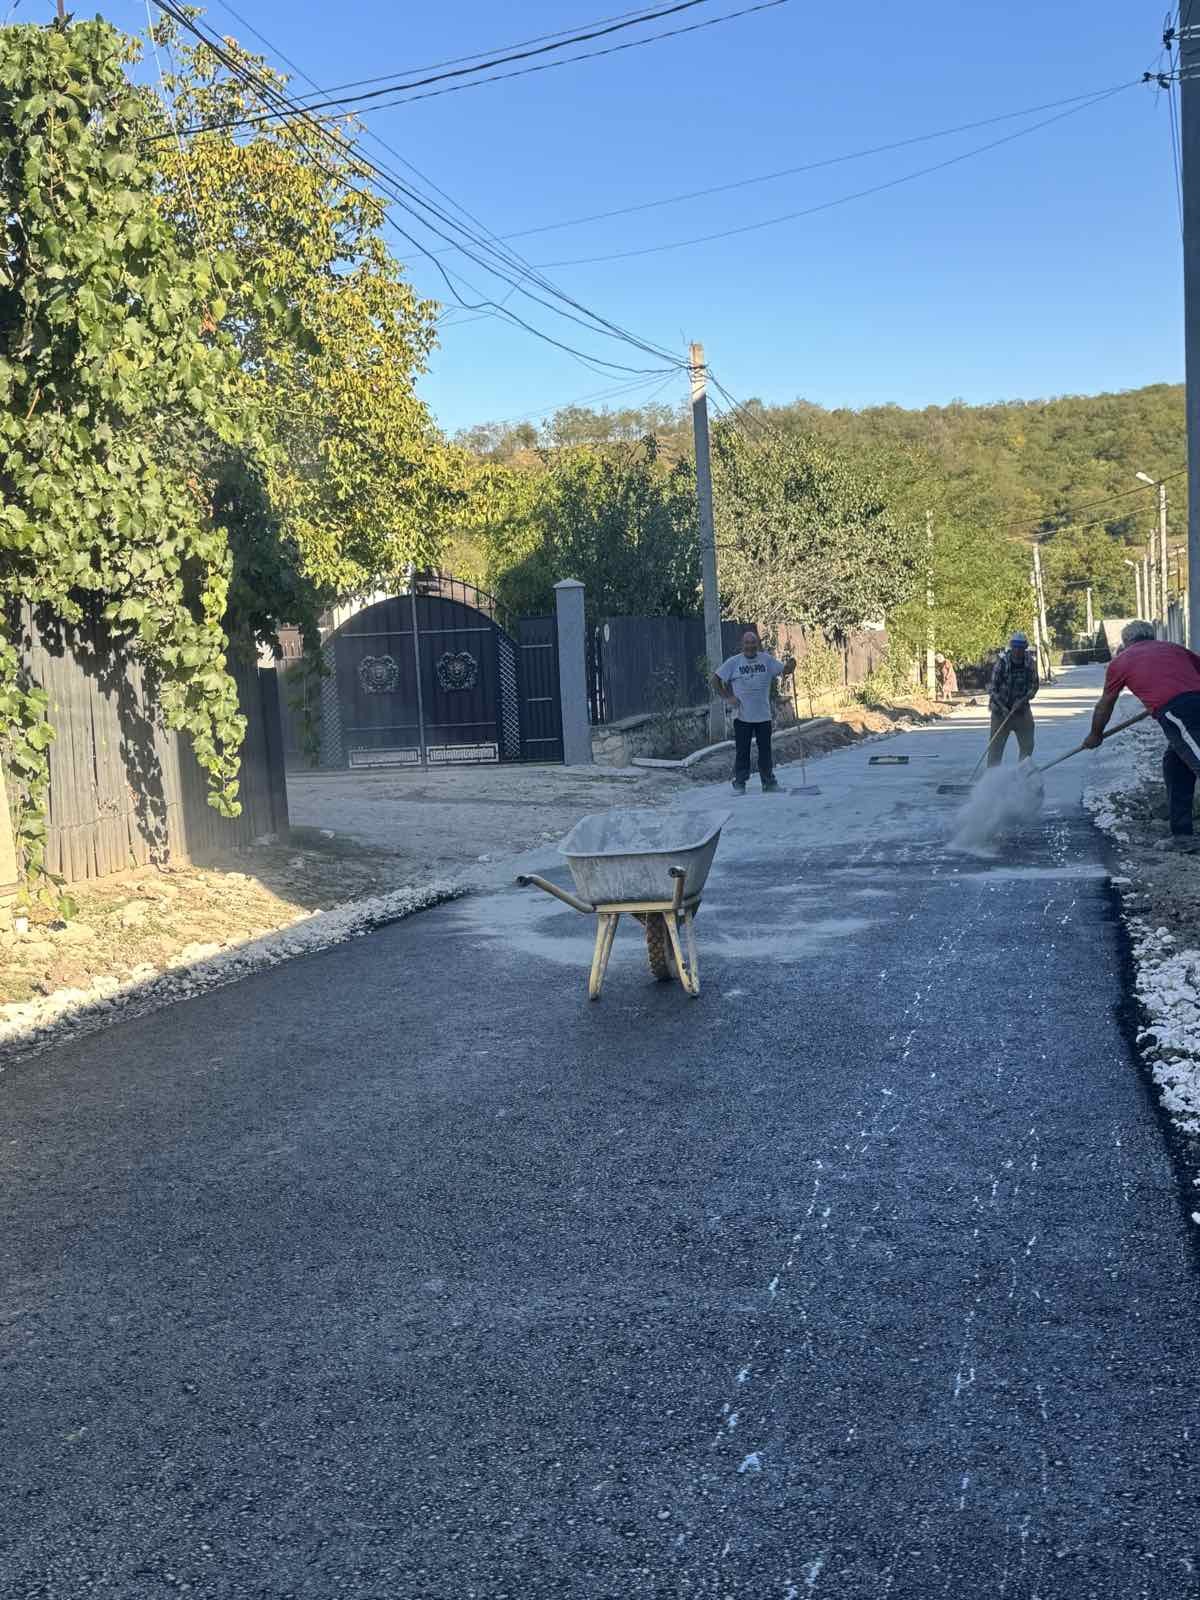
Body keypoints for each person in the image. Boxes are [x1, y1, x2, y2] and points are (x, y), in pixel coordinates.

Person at [1083, 620, 1200, 852]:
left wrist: (1095, 735)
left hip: (1180, 711)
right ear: (1152, 636)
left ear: (1126, 641)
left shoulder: (1121, 661)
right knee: (1175, 765)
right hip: (1187, 705)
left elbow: (1105, 704)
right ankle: (1182, 836)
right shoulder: (1174, 648)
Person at [711, 629, 796, 794]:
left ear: (757, 644)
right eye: (747, 643)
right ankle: (740, 783)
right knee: (742, 751)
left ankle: (769, 783)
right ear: (742, 645)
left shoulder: (766, 660)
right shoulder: (734, 662)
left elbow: (784, 670)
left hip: (763, 715)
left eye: (753, 643)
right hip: (742, 716)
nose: (750, 646)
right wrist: (728, 697)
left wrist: (790, 666)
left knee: (765, 751)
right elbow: (715, 680)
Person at [987, 631, 1039, 767]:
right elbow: (992, 689)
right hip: (1000, 712)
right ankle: (992, 775)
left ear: (1024, 648)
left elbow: (1034, 686)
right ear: (1011, 647)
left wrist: (1023, 700)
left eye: (1020, 647)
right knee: (995, 748)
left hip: (1021, 711)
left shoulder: (1030, 663)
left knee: (1028, 744)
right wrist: (1003, 708)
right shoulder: (1002, 663)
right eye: (1015, 647)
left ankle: (1023, 771)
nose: (1017, 651)